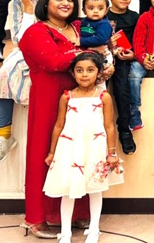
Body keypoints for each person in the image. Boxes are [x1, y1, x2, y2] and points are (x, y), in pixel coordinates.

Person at [18, 0, 115, 238]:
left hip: (81, 99)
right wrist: (89, 53)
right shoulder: (37, 31)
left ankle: (76, 214)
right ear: (46, 1)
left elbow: (103, 50)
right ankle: (37, 218)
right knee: (46, 153)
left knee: (80, 153)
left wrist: (105, 65)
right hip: (48, 100)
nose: (66, 3)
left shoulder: (79, 26)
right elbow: (53, 61)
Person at [43, 52, 123, 243]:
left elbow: (109, 126)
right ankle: (65, 233)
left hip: (95, 148)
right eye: (79, 70)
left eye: (90, 70)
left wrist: (111, 153)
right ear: (73, 73)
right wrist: (52, 152)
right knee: (67, 188)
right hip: (69, 148)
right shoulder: (67, 97)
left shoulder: (104, 97)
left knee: (95, 188)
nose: (84, 74)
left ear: (99, 73)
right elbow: (58, 125)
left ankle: (94, 229)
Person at [0, 0, 54, 165]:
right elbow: (20, 39)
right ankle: (4, 135)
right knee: (5, 70)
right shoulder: (17, 1)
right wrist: (28, 10)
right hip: (27, 48)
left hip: (53, 45)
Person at [105, 0, 139, 154]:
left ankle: (124, 130)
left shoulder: (134, 17)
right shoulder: (101, 14)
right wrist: (108, 46)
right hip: (103, 58)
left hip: (125, 60)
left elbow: (140, 41)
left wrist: (133, 54)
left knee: (122, 89)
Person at [79, 0, 113, 66]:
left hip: (102, 55)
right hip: (87, 52)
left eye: (100, 8)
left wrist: (81, 41)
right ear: (84, 10)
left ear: (106, 11)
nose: (95, 11)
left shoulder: (104, 24)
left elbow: (101, 39)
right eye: (91, 8)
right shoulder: (83, 21)